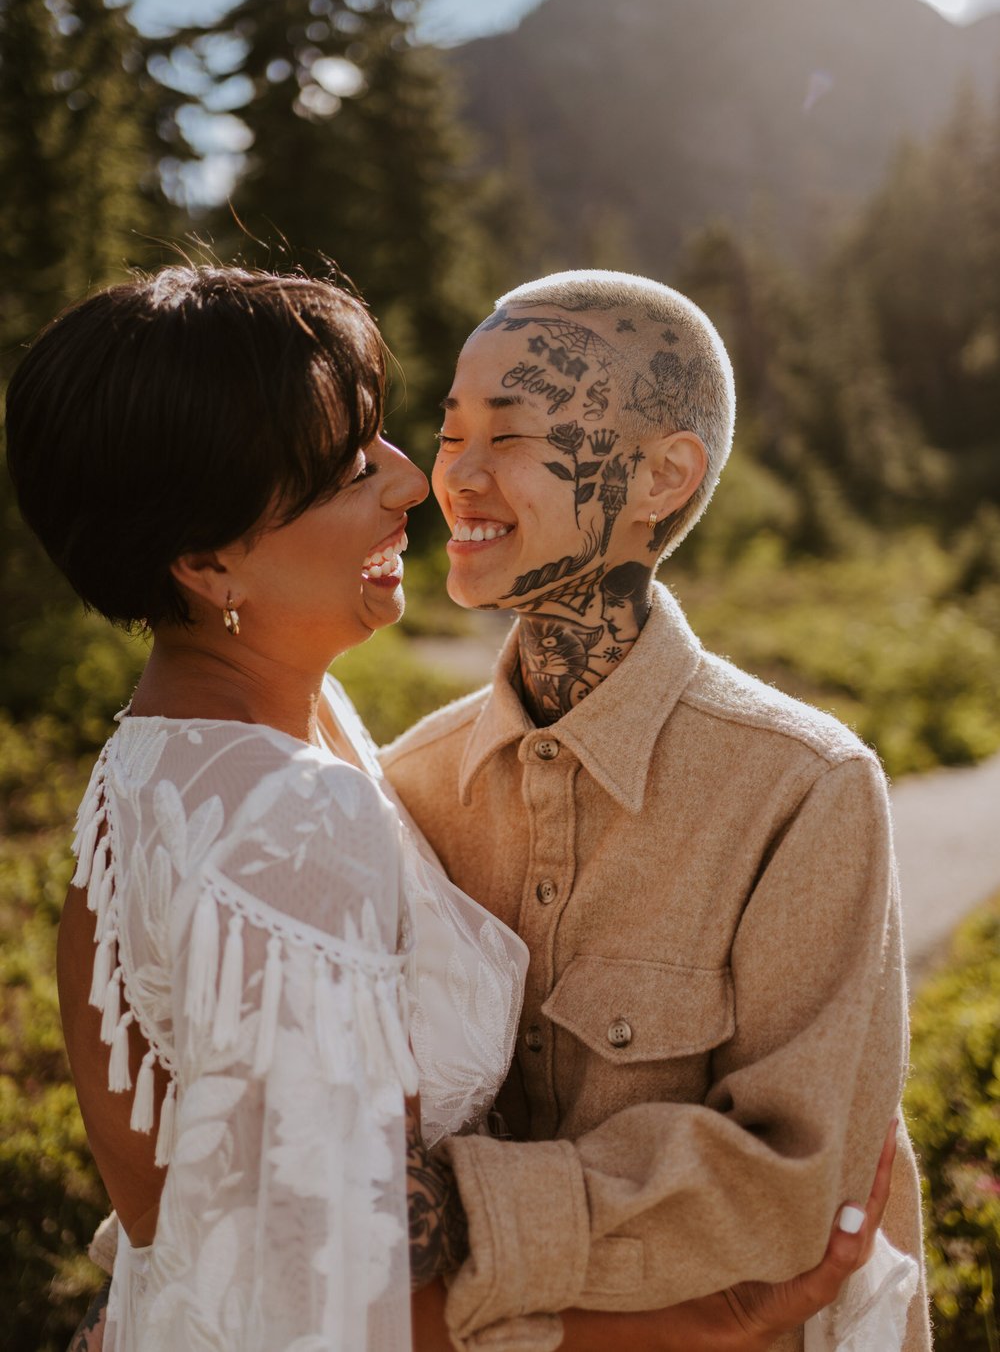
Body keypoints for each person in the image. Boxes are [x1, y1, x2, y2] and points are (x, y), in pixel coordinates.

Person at [4, 267, 900, 1352]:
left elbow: (199, 1173)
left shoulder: (247, 757)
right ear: (206, 562)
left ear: (666, 477)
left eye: (493, 435)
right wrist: (710, 1318)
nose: (419, 482)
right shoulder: (316, 807)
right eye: (349, 465)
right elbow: (327, 1288)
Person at [380, 270, 932, 1352]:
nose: (458, 477)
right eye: (450, 434)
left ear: (661, 476)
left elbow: (788, 1186)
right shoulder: (408, 780)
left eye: (513, 433)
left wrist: (447, 1210)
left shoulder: (804, 790)